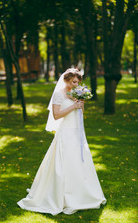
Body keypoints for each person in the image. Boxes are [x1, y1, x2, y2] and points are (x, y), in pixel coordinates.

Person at [17, 68, 106, 215]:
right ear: (66, 80)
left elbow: (80, 114)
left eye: (78, 82)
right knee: (65, 163)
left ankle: (83, 193)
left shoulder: (77, 93)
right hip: (65, 133)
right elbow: (57, 115)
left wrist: (80, 105)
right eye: (74, 82)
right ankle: (61, 195)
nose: (76, 84)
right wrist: (73, 106)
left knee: (80, 162)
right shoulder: (59, 95)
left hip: (77, 131)